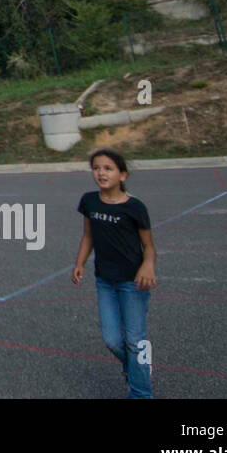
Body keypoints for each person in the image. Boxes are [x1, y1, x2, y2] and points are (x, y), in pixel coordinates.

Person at [72, 148, 156, 398]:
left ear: (123, 175)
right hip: (104, 281)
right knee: (111, 339)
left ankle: (140, 392)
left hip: (133, 282)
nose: (101, 173)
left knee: (133, 339)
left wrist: (148, 265)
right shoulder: (89, 201)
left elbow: (149, 246)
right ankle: (138, 364)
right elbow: (88, 236)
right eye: (96, 168)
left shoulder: (135, 207)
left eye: (108, 168)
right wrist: (79, 263)